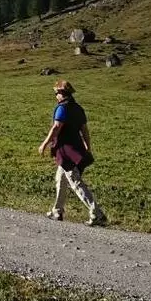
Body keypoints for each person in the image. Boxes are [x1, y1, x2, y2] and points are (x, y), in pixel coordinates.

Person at [38, 80, 107, 226]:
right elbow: (85, 130)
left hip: (66, 151)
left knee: (75, 182)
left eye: (56, 93)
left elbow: (56, 127)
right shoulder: (78, 108)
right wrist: (88, 147)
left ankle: (96, 213)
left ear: (62, 94)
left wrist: (44, 143)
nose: (56, 96)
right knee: (60, 179)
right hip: (76, 149)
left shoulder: (62, 108)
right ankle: (57, 211)